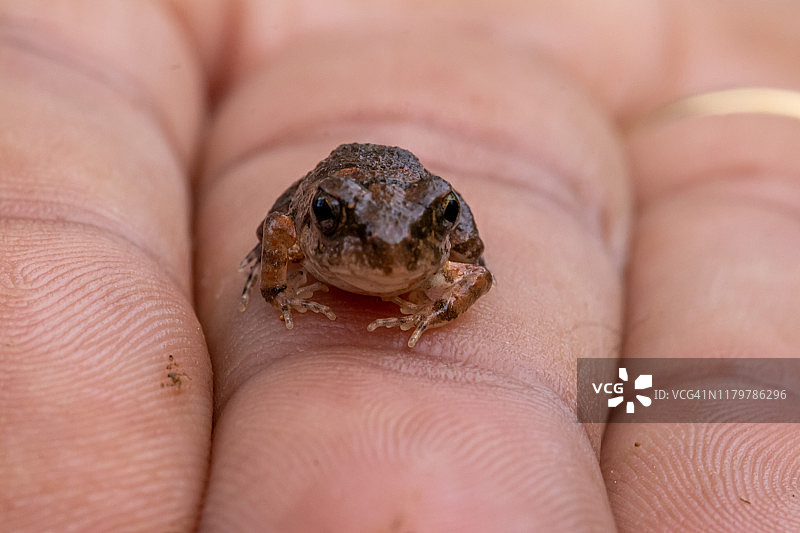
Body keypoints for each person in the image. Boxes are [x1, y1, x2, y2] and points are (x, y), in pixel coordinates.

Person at [3, 1, 800, 531]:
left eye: (426, 230)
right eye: (343, 228)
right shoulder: (306, 226)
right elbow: (282, 225)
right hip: (344, 180)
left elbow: (475, 271)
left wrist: (437, 296)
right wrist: (277, 281)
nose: (389, 251)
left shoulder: (438, 244)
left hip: (405, 186)